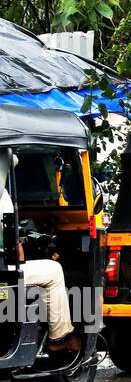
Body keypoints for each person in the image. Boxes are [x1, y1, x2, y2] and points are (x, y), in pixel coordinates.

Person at [0, 151, 79, 352]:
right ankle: (60, 337)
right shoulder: (3, 196)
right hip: (3, 271)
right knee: (53, 270)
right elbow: (13, 249)